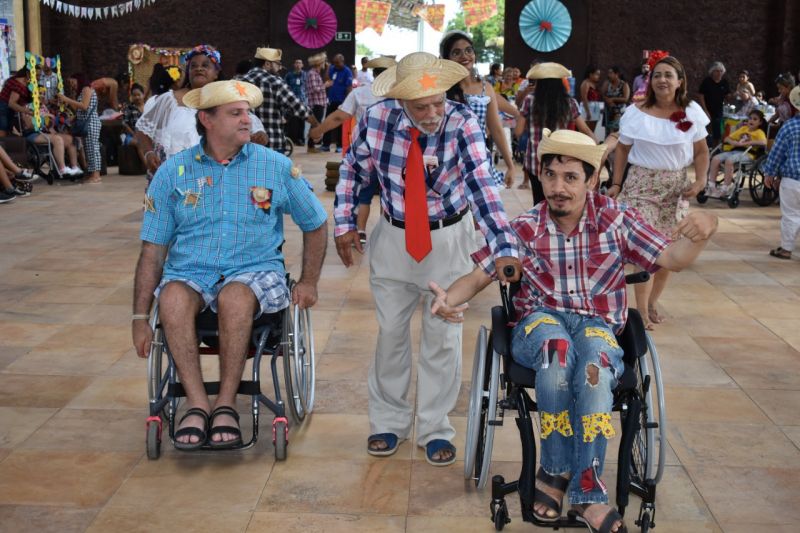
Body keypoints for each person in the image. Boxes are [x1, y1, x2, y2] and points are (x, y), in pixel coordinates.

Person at [429, 128, 718, 533]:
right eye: (550, 176)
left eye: (570, 177)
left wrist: (706, 227)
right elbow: (478, 277)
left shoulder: (615, 219)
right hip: (540, 323)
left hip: (598, 325)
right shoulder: (527, 226)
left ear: (592, 180)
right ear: (541, 177)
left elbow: (673, 256)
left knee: (594, 373)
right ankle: (554, 470)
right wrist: (449, 299)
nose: (558, 187)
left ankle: (588, 491)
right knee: (556, 353)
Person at [333, 52, 521, 466]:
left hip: (449, 239)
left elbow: (481, 188)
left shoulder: (461, 122)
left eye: (438, 101)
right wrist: (345, 222)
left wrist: (504, 247)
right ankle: (388, 422)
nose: (434, 112)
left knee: (442, 340)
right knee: (390, 336)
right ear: (400, 100)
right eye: (422, 107)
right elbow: (353, 171)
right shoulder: (377, 117)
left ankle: (435, 428)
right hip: (394, 238)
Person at [132, 80, 328, 449]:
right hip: (190, 272)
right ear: (206, 119)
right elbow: (153, 251)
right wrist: (140, 318)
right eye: (236, 113)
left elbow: (316, 223)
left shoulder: (275, 166)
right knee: (172, 298)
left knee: (235, 297)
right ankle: (196, 402)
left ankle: (226, 403)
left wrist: (309, 281)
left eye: (247, 112)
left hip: (255, 270)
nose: (247, 120)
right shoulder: (172, 173)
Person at [608, 55, 710, 329]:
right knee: (646, 250)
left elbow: (701, 152)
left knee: (667, 251)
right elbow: (622, 148)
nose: (662, 79)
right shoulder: (637, 112)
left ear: (679, 81)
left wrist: (700, 182)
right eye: (657, 75)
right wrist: (616, 183)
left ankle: (652, 301)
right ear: (650, 81)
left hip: (675, 189)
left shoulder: (690, 112)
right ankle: (639, 311)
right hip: (641, 185)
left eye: (668, 75)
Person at [135, 44, 267, 185]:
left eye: (205, 65)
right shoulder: (169, 100)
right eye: (193, 66)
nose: (199, 68)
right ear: (188, 72)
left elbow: (255, 129)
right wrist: (149, 153)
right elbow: (142, 129)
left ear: (216, 73)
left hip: (215, 181)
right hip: (173, 180)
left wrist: (259, 135)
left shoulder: (229, 102)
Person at [310, 56, 396, 244]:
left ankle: (361, 231)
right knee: (389, 195)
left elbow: (339, 117)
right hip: (393, 156)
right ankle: (387, 234)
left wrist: (318, 131)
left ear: (373, 74)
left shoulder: (361, 93)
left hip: (365, 153)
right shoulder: (401, 95)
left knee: (363, 196)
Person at [440, 30, 519, 188]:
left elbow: (496, 129)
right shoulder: (441, 89)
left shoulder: (486, 88)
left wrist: (510, 165)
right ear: (447, 58)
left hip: (479, 161)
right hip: (447, 164)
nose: (465, 56)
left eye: (468, 50)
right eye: (456, 52)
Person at [515, 62, 595, 199]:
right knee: (557, 201)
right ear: (560, 83)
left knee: (539, 202)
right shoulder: (569, 102)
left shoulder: (530, 100)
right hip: (560, 162)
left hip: (535, 161)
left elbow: (518, 132)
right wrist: (598, 146)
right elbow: (585, 129)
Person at [242, 47, 318, 153]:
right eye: (277, 64)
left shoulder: (239, 82)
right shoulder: (275, 82)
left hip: (245, 146)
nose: (280, 68)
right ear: (267, 64)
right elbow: (298, 107)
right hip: (271, 145)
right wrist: (317, 126)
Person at [763, 86, 800, 260]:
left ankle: (786, 249)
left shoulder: (790, 126)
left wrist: (769, 173)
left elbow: (777, 152)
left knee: (791, 214)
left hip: (792, 180)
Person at [707, 109, 767, 196]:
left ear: (760, 122)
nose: (751, 121)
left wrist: (747, 143)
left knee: (729, 161)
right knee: (715, 159)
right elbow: (727, 138)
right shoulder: (743, 128)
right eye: (750, 118)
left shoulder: (759, 132)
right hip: (735, 150)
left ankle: (725, 188)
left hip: (749, 153)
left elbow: (763, 142)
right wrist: (734, 143)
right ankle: (711, 186)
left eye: (755, 119)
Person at [58, 72, 102, 184]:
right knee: (88, 149)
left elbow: (84, 106)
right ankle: (92, 174)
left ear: (79, 80)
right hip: (87, 122)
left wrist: (67, 99)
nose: (72, 84)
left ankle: (96, 175)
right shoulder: (82, 91)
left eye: (73, 81)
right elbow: (79, 109)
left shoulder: (86, 89)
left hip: (91, 122)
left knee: (93, 148)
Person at [322, 54, 353, 152]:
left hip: (341, 102)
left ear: (342, 61)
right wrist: (328, 68)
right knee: (327, 122)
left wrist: (346, 102)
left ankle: (339, 146)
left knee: (339, 124)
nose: (335, 65)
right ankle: (326, 144)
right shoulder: (332, 68)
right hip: (331, 101)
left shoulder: (347, 71)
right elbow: (326, 79)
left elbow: (349, 87)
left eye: (337, 63)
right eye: (334, 63)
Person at [697, 61, 731, 146]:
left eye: (721, 71)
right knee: (704, 130)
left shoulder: (724, 82)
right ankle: (704, 147)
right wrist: (705, 110)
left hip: (718, 110)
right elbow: (701, 95)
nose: (719, 73)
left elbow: (728, 96)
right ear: (712, 72)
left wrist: (734, 95)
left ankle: (716, 149)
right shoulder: (707, 81)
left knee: (717, 132)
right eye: (717, 71)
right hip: (706, 109)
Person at [305, 52, 330, 154]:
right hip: (316, 103)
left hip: (319, 102)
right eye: (323, 62)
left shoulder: (316, 73)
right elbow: (314, 89)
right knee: (315, 124)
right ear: (319, 63)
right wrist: (325, 85)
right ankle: (310, 146)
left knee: (316, 124)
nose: (325, 64)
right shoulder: (312, 73)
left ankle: (311, 145)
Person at [0, 66, 33, 137]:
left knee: (7, 133)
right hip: (3, 109)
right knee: (3, 133)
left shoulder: (15, 79)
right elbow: (11, 104)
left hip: (6, 109)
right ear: (27, 74)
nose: (38, 77)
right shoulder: (19, 84)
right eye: (36, 74)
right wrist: (26, 111)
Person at [284, 59, 308, 146]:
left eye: (300, 63)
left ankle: (301, 139)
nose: (298, 64)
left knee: (302, 121)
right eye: (296, 63)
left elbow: (308, 87)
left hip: (302, 101)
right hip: (291, 101)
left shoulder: (306, 75)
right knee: (290, 121)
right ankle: (290, 140)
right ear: (294, 65)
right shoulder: (289, 75)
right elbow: (285, 86)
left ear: (302, 65)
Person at [601, 66, 630, 134]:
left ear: (617, 74)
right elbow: (602, 95)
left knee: (617, 132)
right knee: (608, 132)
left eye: (611, 73)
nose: (609, 75)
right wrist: (608, 100)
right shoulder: (607, 83)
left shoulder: (624, 84)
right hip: (609, 111)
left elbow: (626, 98)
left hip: (620, 112)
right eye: (608, 73)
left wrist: (613, 99)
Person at [580, 65, 603, 133]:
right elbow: (584, 98)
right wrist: (588, 112)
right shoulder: (586, 83)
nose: (598, 76)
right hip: (588, 109)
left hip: (595, 108)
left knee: (592, 131)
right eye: (597, 74)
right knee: (587, 131)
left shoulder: (593, 84)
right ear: (591, 74)